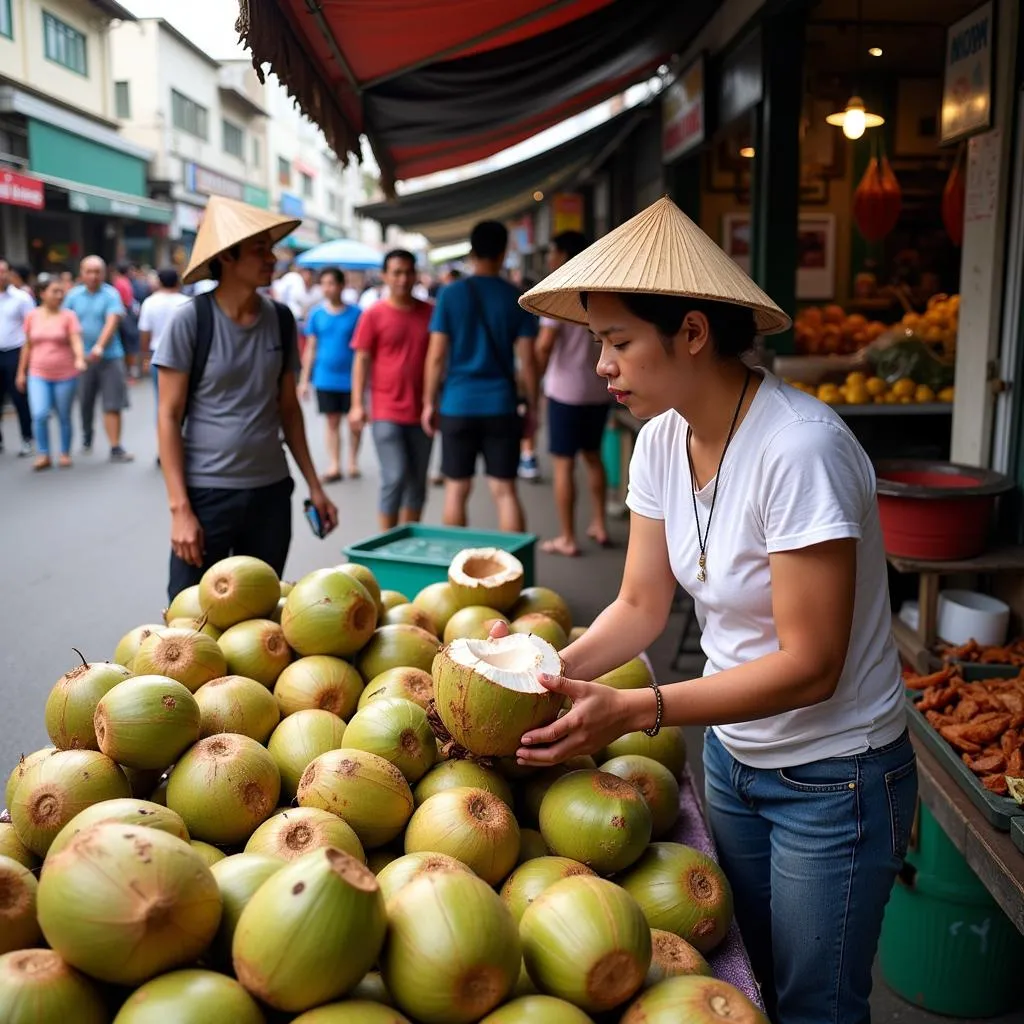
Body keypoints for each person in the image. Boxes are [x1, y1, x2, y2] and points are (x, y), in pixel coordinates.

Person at [511, 196, 915, 1024]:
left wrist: (637, 708)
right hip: (733, 760)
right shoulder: (661, 438)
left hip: (834, 778)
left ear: (691, 332)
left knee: (816, 1003)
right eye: (597, 345)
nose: (603, 369)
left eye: (619, 342)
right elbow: (637, 605)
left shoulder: (799, 450)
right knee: (747, 978)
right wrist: (537, 672)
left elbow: (812, 663)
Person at [155, 195, 338, 602]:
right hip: (207, 494)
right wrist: (179, 509)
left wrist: (315, 485)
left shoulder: (281, 319)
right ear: (227, 258)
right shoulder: (191, 321)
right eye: (259, 249)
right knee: (189, 617)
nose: (271, 257)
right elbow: (167, 416)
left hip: (271, 493)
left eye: (270, 248)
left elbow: (289, 411)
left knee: (259, 616)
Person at [422, 220, 539, 532]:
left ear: (472, 252)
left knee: (456, 489)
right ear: (503, 253)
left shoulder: (450, 295)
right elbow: (529, 361)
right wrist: (534, 407)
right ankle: (513, 572)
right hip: (501, 405)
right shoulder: (516, 298)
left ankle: (454, 574)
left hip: (457, 405)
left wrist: (428, 403)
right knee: (504, 491)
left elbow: (436, 357)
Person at [535, 231, 613, 556]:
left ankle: (567, 537)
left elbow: (544, 344)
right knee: (593, 457)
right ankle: (599, 523)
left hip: (565, 392)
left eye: (552, 251)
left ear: (564, 254)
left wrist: (536, 377)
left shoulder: (559, 291)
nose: (550, 258)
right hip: (598, 389)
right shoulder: (602, 290)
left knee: (564, 464)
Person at [350, 249, 434, 531]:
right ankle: (386, 542)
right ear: (385, 276)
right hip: (386, 409)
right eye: (396, 272)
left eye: (409, 272)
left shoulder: (430, 312)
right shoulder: (373, 314)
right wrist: (357, 405)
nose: (403, 278)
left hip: (423, 410)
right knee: (395, 475)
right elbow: (361, 359)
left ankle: (410, 542)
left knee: (417, 481)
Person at [63, 255, 133, 462]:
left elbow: (112, 321)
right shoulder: (73, 296)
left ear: (104, 274)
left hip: (110, 357)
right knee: (85, 401)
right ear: (81, 273)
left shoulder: (111, 294)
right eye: (89, 271)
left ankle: (115, 446)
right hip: (81, 359)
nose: (93, 276)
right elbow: (66, 323)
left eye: (97, 272)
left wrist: (99, 347)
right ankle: (87, 435)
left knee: (112, 403)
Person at [16, 274, 87, 469]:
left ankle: (64, 452)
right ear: (42, 293)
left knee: (63, 414)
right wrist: (21, 372)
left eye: (61, 292)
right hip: (38, 373)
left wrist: (80, 358)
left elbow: (75, 340)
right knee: (39, 414)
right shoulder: (32, 316)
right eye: (54, 291)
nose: (59, 295)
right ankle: (43, 453)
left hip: (65, 374)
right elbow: (27, 346)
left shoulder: (68, 316)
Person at [298, 267, 362, 482]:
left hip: (352, 377)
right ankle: (335, 463)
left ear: (342, 286)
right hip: (325, 378)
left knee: (354, 422)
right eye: (324, 284)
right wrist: (304, 381)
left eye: (332, 284)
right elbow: (311, 349)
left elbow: (363, 351)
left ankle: (352, 461)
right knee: (332, 422)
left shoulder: (356, 314)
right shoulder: (316, 314)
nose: (328, 288)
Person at [139, 267, 190, 412]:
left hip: (157, 354)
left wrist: (145, 357)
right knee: (183, 398)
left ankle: (163, 433)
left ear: (159, 282)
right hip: (184, 354)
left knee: (162, 400)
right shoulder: (187, 302)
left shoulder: (150, 303)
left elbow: (145, 333)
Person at [0, 256, 36, 456]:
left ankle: (26, 438)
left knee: (19, 396)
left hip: (15, 351)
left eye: (3, 271)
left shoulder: (22, 298)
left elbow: (31, 328)